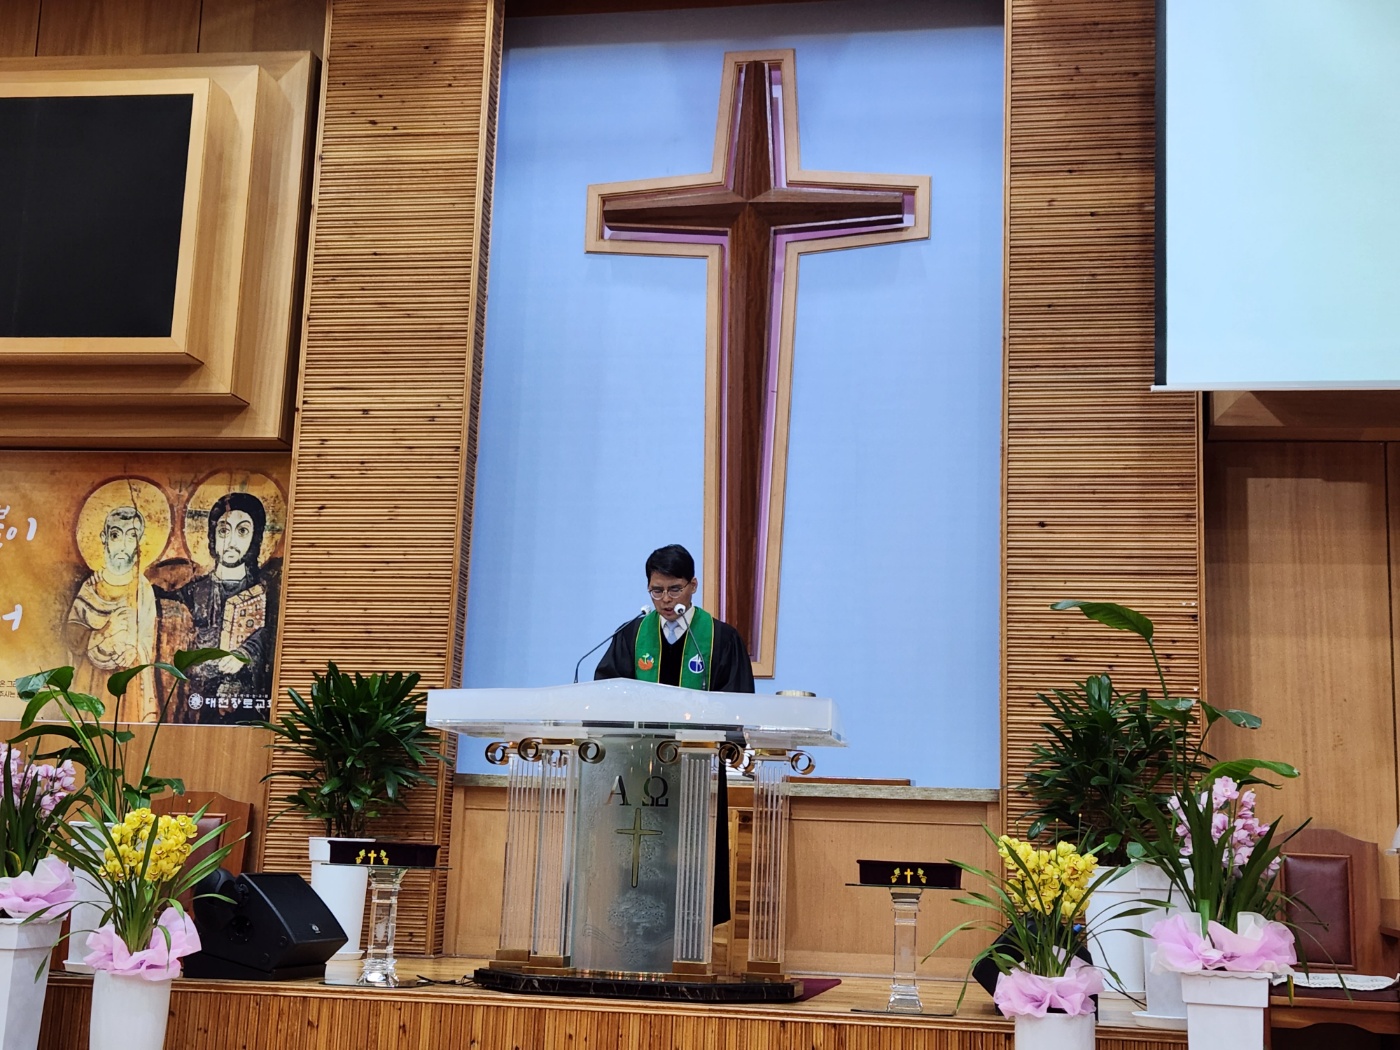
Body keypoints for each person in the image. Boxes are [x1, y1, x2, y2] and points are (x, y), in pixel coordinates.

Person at [156, 492, 279, 722]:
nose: (231, 542)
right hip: (197, 702)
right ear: (212, 536)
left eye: (242, 531)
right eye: (223, 530)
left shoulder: (266, 592)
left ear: (255, 537)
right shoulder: (193, 591)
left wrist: (245, 653)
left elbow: (270, 638)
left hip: (247, 706)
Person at [594, 544, 754, 692]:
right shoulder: (630, 635)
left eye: (675, 589)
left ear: (693, 586)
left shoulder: (723, 639)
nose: (666, 599)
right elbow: (609, 692)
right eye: (657, 591)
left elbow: (736, 701)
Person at [64, 506, 159, 721]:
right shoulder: (91, 587)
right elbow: (72, 635)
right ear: (104, 538)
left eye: (131, 536)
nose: (123, 545)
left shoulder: (143, 589)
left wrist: (134, 649)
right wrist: (104, 632)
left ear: (140, 542)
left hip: (128, 679)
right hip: (90, 679)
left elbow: (147, 638)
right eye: (116, 535)